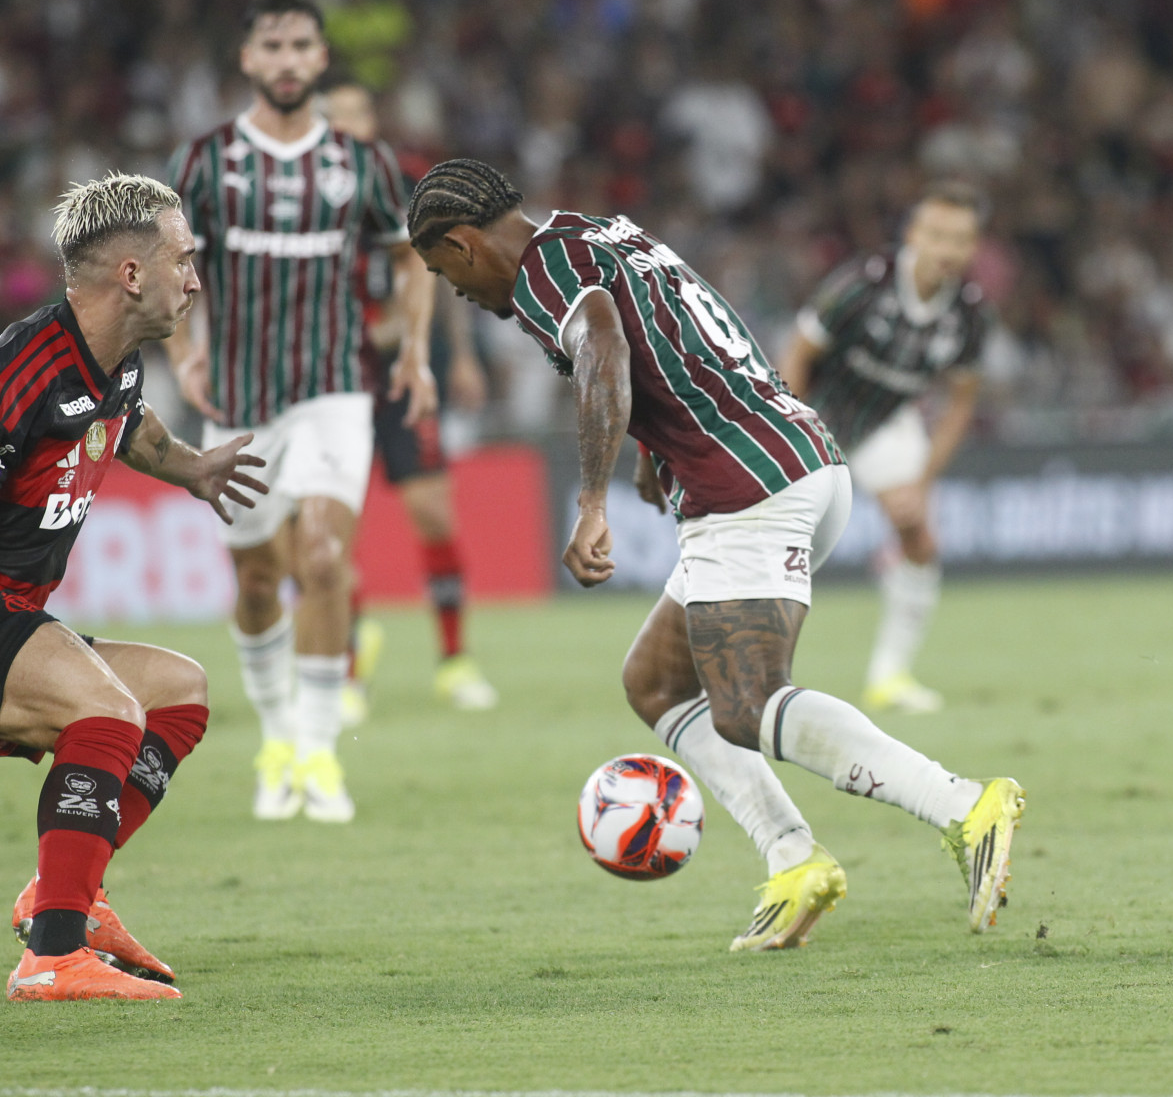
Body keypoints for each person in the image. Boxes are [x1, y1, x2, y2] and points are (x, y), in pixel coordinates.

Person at [405, 159, 1024, 949]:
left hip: (746, 487)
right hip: (793, 457)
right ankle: (795, 860)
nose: (453, 291)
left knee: (747, 704)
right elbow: (669, 328)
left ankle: (965, 806)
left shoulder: (541, 273)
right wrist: (647, 448)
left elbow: (602, 345)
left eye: (441, 271)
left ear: (461, 244)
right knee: (656, 681)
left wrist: (591, 498)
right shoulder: (589, 233)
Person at [0, 174, 268, 1000]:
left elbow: (131, 427)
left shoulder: (111, 361)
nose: (194, 277)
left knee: (178, 695)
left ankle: (64, 896)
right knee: (109, 712)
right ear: (130, 275)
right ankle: (51, 956)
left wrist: (194, 470)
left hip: (7, 611)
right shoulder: (22, 371)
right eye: (183, 260)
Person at [165, 0, 437, 823]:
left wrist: (417, 350)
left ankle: (319, 751)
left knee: (321, 558)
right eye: (271, 45)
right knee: (255, 579)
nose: (286, 60)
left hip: (334, 391)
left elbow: (413, 253)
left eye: (300, 46)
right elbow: (171, 260)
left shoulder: (362, 161)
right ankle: (277, 736)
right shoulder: (207, 160)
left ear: (322, 60)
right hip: (240, 399)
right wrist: (183, 352)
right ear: (248, 60)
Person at [319, 79, 497, 720]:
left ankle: (455, 661)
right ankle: (348, 665)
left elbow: (439, 271)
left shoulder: (404, 184)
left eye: (355, 114)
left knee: (433, 516)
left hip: (398, 376)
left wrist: (464, 356)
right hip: (331, 381)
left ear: (372, 119)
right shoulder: (301, 197)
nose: (345, 126)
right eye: (332, 117)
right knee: (333, 533)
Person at [776, 182, 989, 713]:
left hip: (883, 424)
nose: (947, 249)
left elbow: (960, 402)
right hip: (816, 417)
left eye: (960, 239)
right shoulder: (862, 285)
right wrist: (789, 433)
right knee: (781, 545)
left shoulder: (968, 313)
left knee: (916, 533)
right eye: (937, 234)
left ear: (973, 246)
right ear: (913, 235)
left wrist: (921, 482)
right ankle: (748, 669)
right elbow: (798, 354)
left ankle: (889, 676)